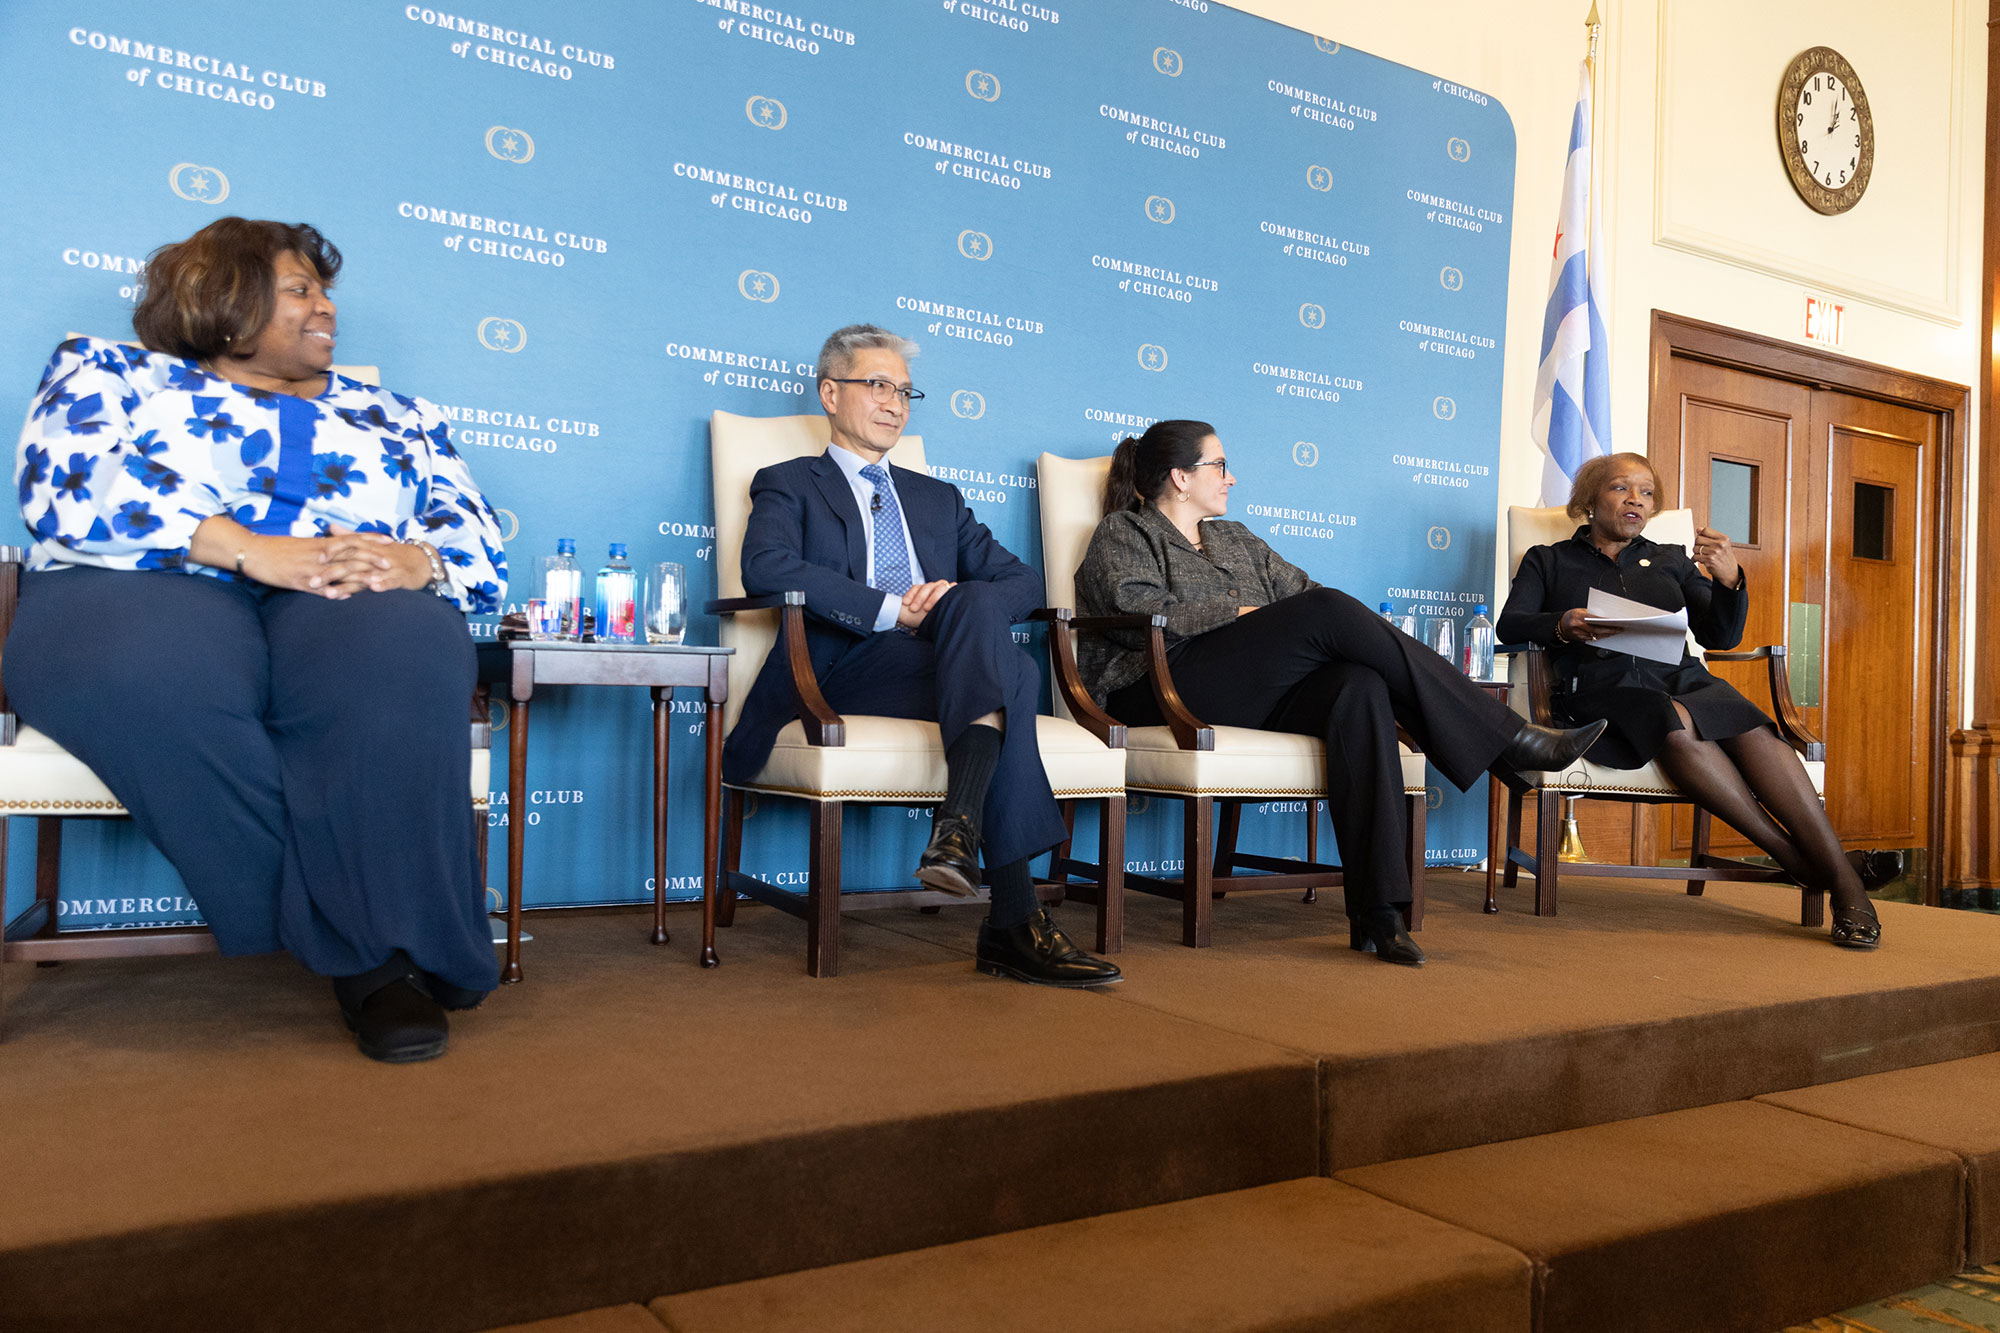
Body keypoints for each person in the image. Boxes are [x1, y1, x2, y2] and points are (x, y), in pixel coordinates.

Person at [7, 217, 510, 1061]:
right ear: (226, 301)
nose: (328, 307)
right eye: (301, 289)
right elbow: (63, 487)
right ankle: (385, 954)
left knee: (402, 644)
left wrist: (416, 559)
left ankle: (389, 941)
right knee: (144, 669)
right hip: (146, 577)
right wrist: (249, 549)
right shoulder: (111, 372)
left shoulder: (401, 414)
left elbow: (477, 539)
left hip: (338, 585)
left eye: (326, 290)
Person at [1073, 420, 1604, 966]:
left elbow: (1309, 596)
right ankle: (1510, 740)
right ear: (1180, 477)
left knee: (1360, 687)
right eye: (1220, 466)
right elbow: (1135, 613)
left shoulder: (1237, 539)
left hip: (1249, 691)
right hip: (1159, 686)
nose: (1232, 478)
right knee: (1327, 617)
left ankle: (1379, 913)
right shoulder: (1125, 532)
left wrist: (1292, 625)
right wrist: (1246, 614)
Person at [724, 324, 1119, 987]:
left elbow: (1023, 581)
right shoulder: (790, 482)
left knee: (974, 606)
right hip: (838, 671)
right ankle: (1011, 920)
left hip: (939, 666)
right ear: (829, 391)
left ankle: (958, 834)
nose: (895, 402)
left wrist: (952, 599)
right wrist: (891, 608)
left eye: (905, 391)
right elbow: (767, 566)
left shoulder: (939, 498)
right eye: (877, 384)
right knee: (1015, 672)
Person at [1498, 451, 1887, 949]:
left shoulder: (1670, 560)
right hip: (1603, 690)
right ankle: (1825, 873)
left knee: (1751, 725)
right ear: (1591, 498)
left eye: (1646, 492)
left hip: (1682, 678)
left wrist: (1729, 581)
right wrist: (1561, 624)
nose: (1635, 499)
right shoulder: (1549, 559)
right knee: (1673, 719)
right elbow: (1511, 624)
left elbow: (1720, 634)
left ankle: (1827, 876)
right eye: (1621, 488)